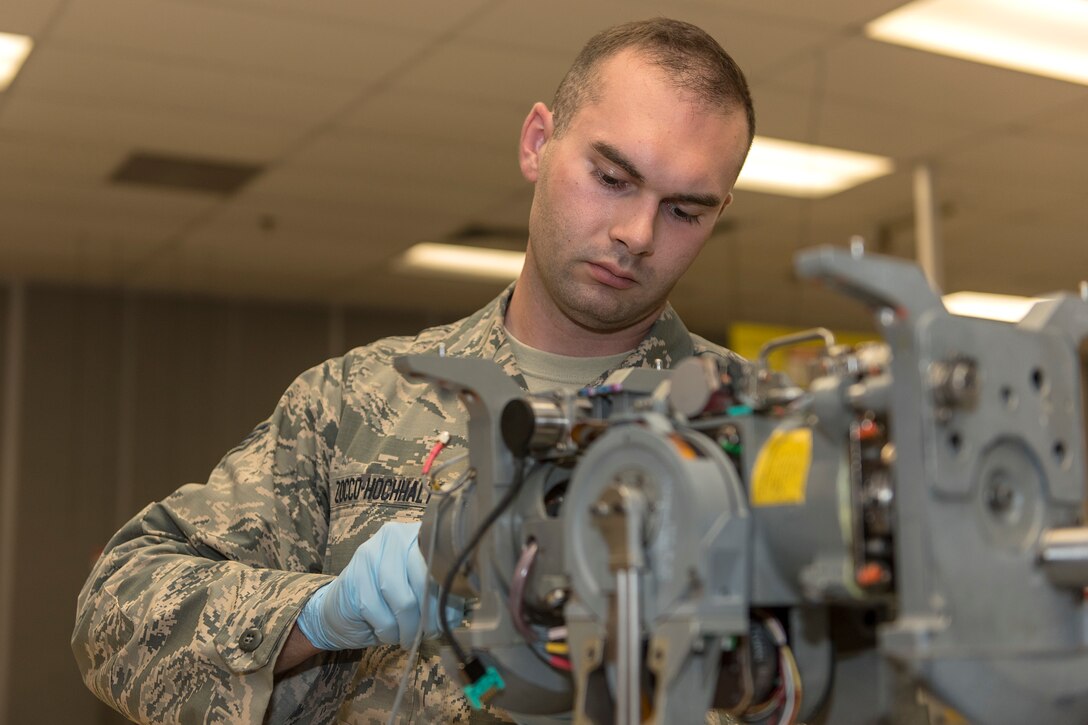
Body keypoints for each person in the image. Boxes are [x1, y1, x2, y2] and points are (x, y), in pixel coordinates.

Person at [72, 16, 755, 723]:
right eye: (612, 177)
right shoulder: (355, 403)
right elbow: (113, 610)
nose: (637, 235)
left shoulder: (765, 435)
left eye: (684, 210)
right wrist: (317, 617)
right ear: (537, 143)